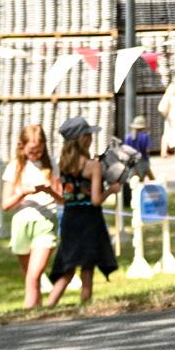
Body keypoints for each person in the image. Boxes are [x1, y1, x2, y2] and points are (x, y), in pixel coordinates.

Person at [43, 117, 116, 308]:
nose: (91, 138)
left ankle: (49, 305)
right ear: (83, 138)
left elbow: (66, 195)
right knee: (87, 267)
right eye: (89, 135)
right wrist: (111, 190)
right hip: (89, 219)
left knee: (67, 268)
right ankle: (85, 306)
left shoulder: (64, 164)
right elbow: (96, 200)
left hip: (70, 218)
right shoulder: (92, 166)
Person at [2, 122, 59, 309]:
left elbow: (62, 199)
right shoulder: (15, 167)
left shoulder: (50, 165)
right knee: (30, 277)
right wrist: (23, 193)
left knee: (34, 275)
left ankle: (28, 310)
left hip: (45, 222)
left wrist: (49, 190)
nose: (36, 155)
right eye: (32, 151)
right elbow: (5, 205)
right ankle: (37, 310)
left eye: (39, 151)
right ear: (22, 147)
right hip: (22, 222)